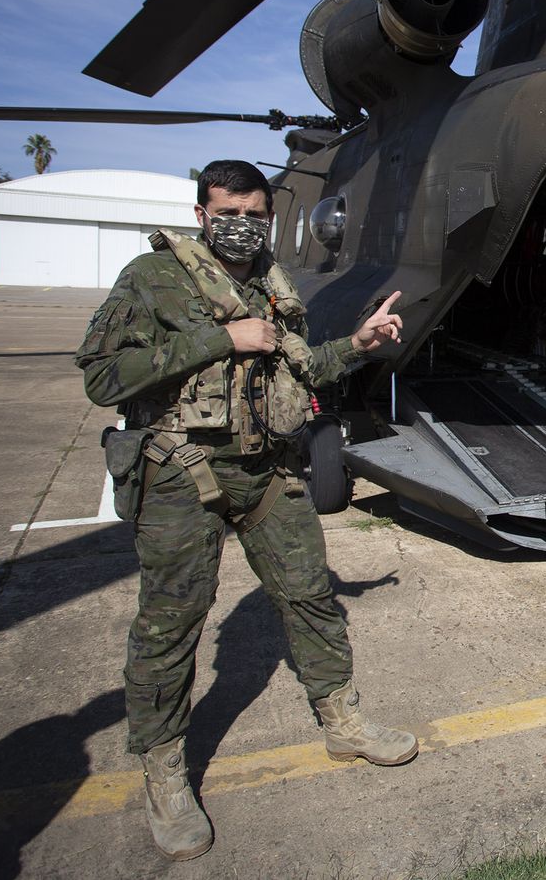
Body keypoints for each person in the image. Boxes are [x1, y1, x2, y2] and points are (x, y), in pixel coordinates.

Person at [76, 161, 416, 861]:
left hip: (266, 469)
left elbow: (301, 369)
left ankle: (342, 719)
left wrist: (359, 344)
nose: (243, 224)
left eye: (256, 214)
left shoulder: (271, 281)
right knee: (171, 623)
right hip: (181, 473)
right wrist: (220, 339)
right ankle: (165, 769)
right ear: (201, 212)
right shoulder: (152, 278)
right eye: (228, 211)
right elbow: (101, 373)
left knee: (311, 595)